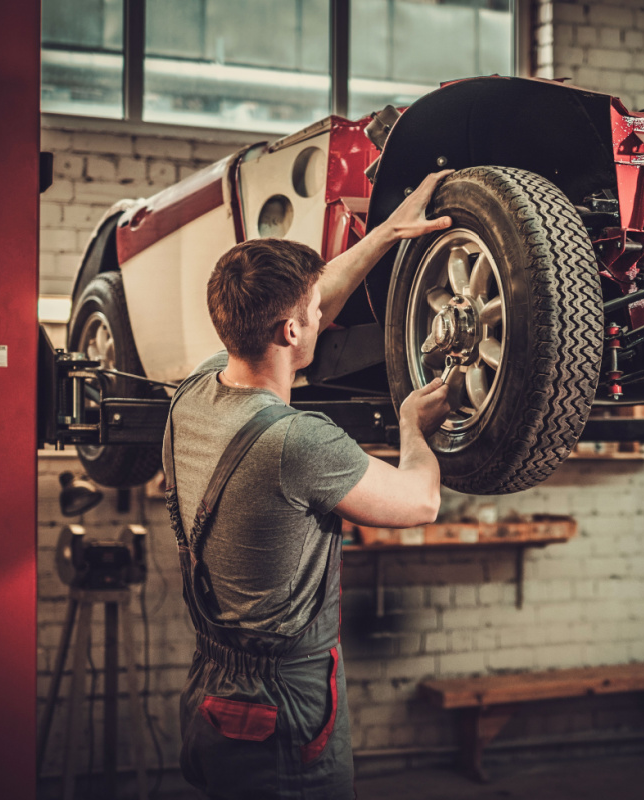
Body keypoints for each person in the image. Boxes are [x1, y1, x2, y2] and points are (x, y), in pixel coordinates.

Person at [162, 170, 455, 799]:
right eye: (313, 312)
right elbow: (421, 501)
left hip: (212, 684)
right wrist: (413, 427)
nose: (324, 313)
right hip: (281, 706)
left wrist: (385, 234)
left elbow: (318, 294)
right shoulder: (297, 443)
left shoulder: (197, 390)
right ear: (291, 332)